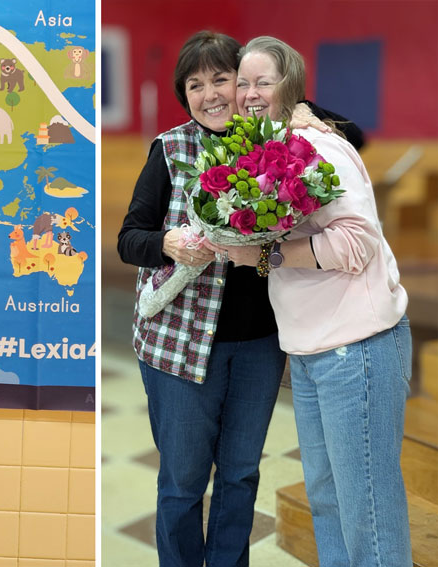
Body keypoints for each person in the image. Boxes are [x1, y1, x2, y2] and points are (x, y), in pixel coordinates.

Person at [116, 31, 361, 567]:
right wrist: (167, 243)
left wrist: (302, 111)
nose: (210, 94)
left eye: (221, 79)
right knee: (182, 483)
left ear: (247, 85)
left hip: (260, 344)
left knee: (241, 474)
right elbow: (127, 239)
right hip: (177, 347)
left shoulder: (274, 141)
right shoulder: (170, 148)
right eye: (195, 84)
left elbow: (357, 135)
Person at [213, 35, 411, 567]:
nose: (251, 93)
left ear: (290, 87)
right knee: (326, 501)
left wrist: (267, 251)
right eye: (244, 83)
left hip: (358, 348)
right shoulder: (258, 152)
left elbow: (356, 241)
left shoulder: (318, 146)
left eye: (264, 82)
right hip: (308, 350)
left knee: (365, 508)